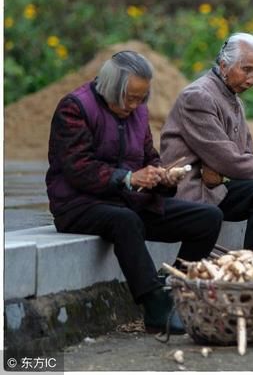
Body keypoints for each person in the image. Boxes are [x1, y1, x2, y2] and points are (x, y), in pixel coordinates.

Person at [46, 50, 222, 334]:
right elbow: (78, 168)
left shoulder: (138, 111)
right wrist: (127, 178)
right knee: (125, 221)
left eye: (141, 98)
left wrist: (162, 177)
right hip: (79, 205)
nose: (135, 105)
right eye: (129, 97)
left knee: (208, 217)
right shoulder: (75, 107)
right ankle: (154, 306)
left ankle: (173, 289)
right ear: (109, 88)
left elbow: (149, 157)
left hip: (128, 201)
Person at [161, 32, 253, 254]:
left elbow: (244, 153)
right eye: (246, 69)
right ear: (224, 65)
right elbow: (226, 157)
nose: (251, 79)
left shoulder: (232, 97)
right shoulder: (198, 96)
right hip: (195, 190)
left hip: (216, 184)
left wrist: (226, 169)